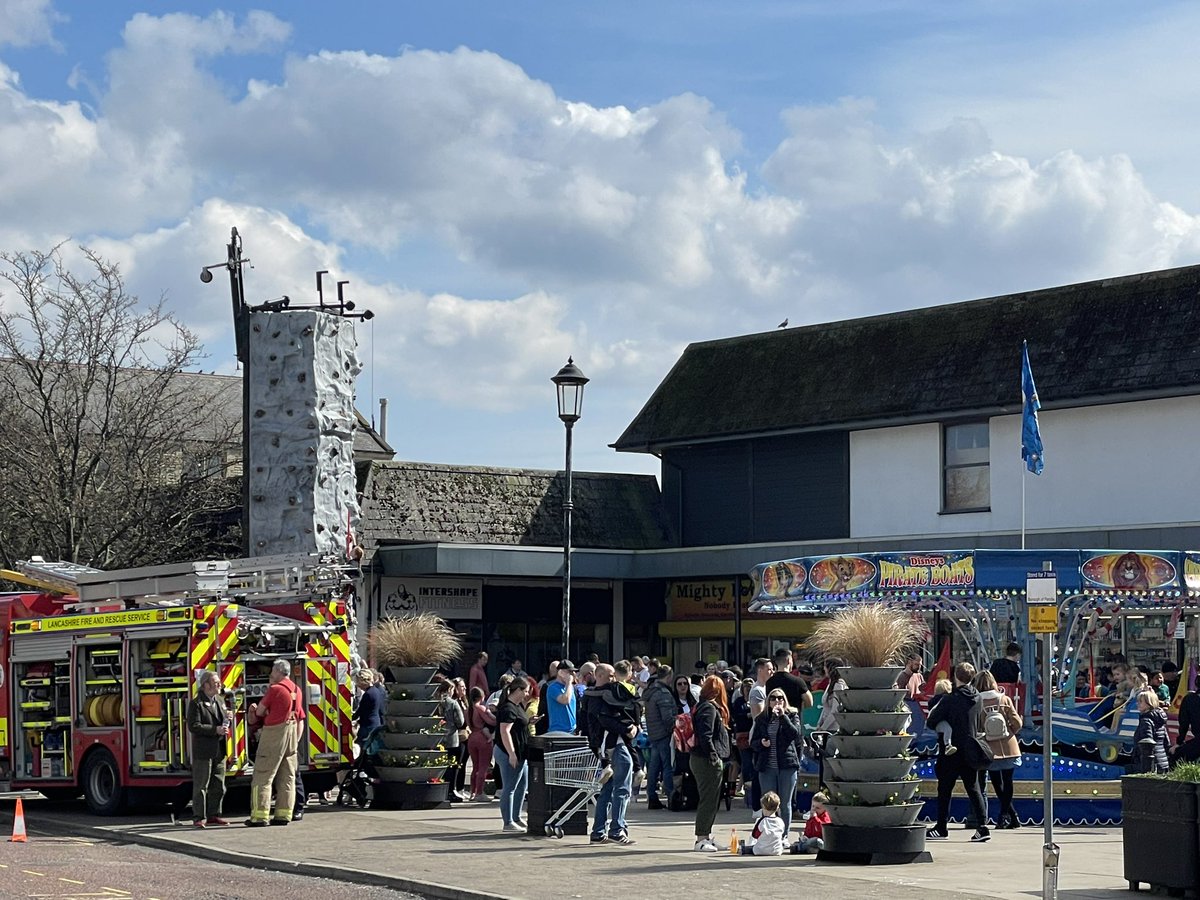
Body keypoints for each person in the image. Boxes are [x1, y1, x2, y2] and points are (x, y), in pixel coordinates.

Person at [925, 662, 990, 843]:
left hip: (951, 751)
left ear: (955, 677)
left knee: (944, 789)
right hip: (970, 748)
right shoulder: (977, 697)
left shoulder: (950, 699)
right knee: (974, 788)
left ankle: (941, 827)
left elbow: (932, 721)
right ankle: (983, 827)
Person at [245, 659, 303, 827]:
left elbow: (260, 711)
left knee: (263, 775)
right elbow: (300, 717)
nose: (271, 673)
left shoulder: (275, 689)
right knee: (287, 776)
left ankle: (259, 817)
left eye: (272, 671)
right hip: (291, 732)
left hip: (274, 733)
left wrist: (254, 709)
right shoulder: (296, 689)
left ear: (278, 671)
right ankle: (284, 815)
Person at [585, 664, 638, 845]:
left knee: (607, 790)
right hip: (614, 744)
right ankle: (617, 829)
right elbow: (606, 720)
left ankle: (599, 831)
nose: (613, 679)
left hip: (604, 747)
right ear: (599, 675)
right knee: (622, 789)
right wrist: (628, 728)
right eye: (610, 676)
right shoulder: (602, 697)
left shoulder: (592, 695)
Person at [749, 687, 803, 836]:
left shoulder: (792, 715)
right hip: (767, 767)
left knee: (785, 803)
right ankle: (770, 833)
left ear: (784, 701)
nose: (777, 701)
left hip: (787, 765)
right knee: (768, 803)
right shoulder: (761, 718)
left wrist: (782, 717)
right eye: (773, 698)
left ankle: (784, 835)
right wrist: (761, 743)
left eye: (780, 698)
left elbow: (795, 735)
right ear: (768, 702)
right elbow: (752, 743)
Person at [974, 670, 1023, 829]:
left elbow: (977, 726)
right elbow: (1017, 722)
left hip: (989, 747)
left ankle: (1009, 816)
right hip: (1008, 745)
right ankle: (1007, 816)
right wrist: (1010, 733)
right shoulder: (1004, 699)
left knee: (996, 783)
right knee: (1008, 782)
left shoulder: (977, 702)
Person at [690, 674, 731, 852]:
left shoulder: (702, 706)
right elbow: (705, 736)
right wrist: (714, 756)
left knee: (711, 798)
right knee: (708, 799)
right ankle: (701, 838)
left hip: (701, 758)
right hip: (706, 759)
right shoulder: (709, 709)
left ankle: (705, 836)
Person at [186, 670, 230, 827]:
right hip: (204, 750)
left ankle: (214, 814)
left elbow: (222, 719)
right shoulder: (196, 703)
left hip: (219, 748)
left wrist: (227, 719)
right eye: (215, 682)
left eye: (219, 682)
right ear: (205, 685)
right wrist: (214, 729)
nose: (219, 684)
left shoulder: (219, 700)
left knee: (219, 783)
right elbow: (194, 726)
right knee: (201, 784)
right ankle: (199, 817)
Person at [492, 676, 531, 832]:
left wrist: (530, 721)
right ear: (518, 690)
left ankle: (516, 817)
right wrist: (512, 753)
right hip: (508, 752)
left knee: (522, 785)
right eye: (526, 691)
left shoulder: (517, 706)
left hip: (521, 753)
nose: (527, 694)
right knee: (510, 787)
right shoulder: (508, 708)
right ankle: (507, 822)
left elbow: (518, 724)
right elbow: (504, 731)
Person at [642, 664, 677, 810]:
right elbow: (667, 717)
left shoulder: (650, 690)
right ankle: (670, 796)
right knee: (667, 766)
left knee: (653, 767)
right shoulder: (663, 693)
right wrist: (674, 729)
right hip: (664, 734)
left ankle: (652, 796)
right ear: (669, 676)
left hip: (653, 733)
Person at [437, 680, 467, 802]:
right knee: (453, 766)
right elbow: (460, 722)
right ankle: (451, 790)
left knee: (441, 766)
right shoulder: (453, 703)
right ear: (449, 689)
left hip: (438, 738)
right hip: (451, 738)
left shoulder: (435, 702)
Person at [466, 686, 496, 800]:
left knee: (475, 766)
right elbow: (491, 722)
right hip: (482, 738)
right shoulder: (480, 708)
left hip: (472, 736)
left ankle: (472, 792)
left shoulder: (468, 709)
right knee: (483, 766)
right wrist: (491, 713)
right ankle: (479, 792)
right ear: (481, 696)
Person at [730, 678, 755, 807]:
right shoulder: (739, 702)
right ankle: (746, 787)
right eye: (746, 687)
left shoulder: (756, 700)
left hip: (754, 734)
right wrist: (748, 715)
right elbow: (736, 715)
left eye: (750, 687)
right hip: (743, 735)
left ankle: (754, 789)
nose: (748, 689)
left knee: (755, 762)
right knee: (745, 763)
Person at [1133, 690, 1170, 774]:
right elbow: (1166, 742)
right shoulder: (1160, 720)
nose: (1137, 704)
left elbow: (1146, 745)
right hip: (1163, 761)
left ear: (1149, 703)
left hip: (1151, 763)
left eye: (1141, 701)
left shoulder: (1146, 721)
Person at [740, 790, 785, 856]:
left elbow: (755, 835)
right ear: (777, 807)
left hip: (760, 850)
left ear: (763, 807)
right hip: (777, 851)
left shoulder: (763, 821)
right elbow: (781, 834)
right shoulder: (780, 821)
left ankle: (743, 849)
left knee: (751, 848)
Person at [813, 658, 847, 734]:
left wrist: (823, 728)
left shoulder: (838, 685)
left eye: (825, 666)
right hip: (826, 728)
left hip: (834, 729)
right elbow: (825, 707)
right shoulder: (830, 684)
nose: (824, 669)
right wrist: (819, 724)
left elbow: (835, 710)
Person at [545, 659, 578, 733]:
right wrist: (568, 682)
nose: (572, 674)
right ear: (560, 672)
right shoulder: (553, 688)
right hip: (558, 731)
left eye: (573, 672)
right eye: (570, 672)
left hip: (572, 730)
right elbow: (565, 700)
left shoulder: (570, 688)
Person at [929, 678, 956, 754]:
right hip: (939, 722)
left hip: (934, 724)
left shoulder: (933, 700)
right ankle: (948, 745)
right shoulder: (945, 700)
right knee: (948, 729)